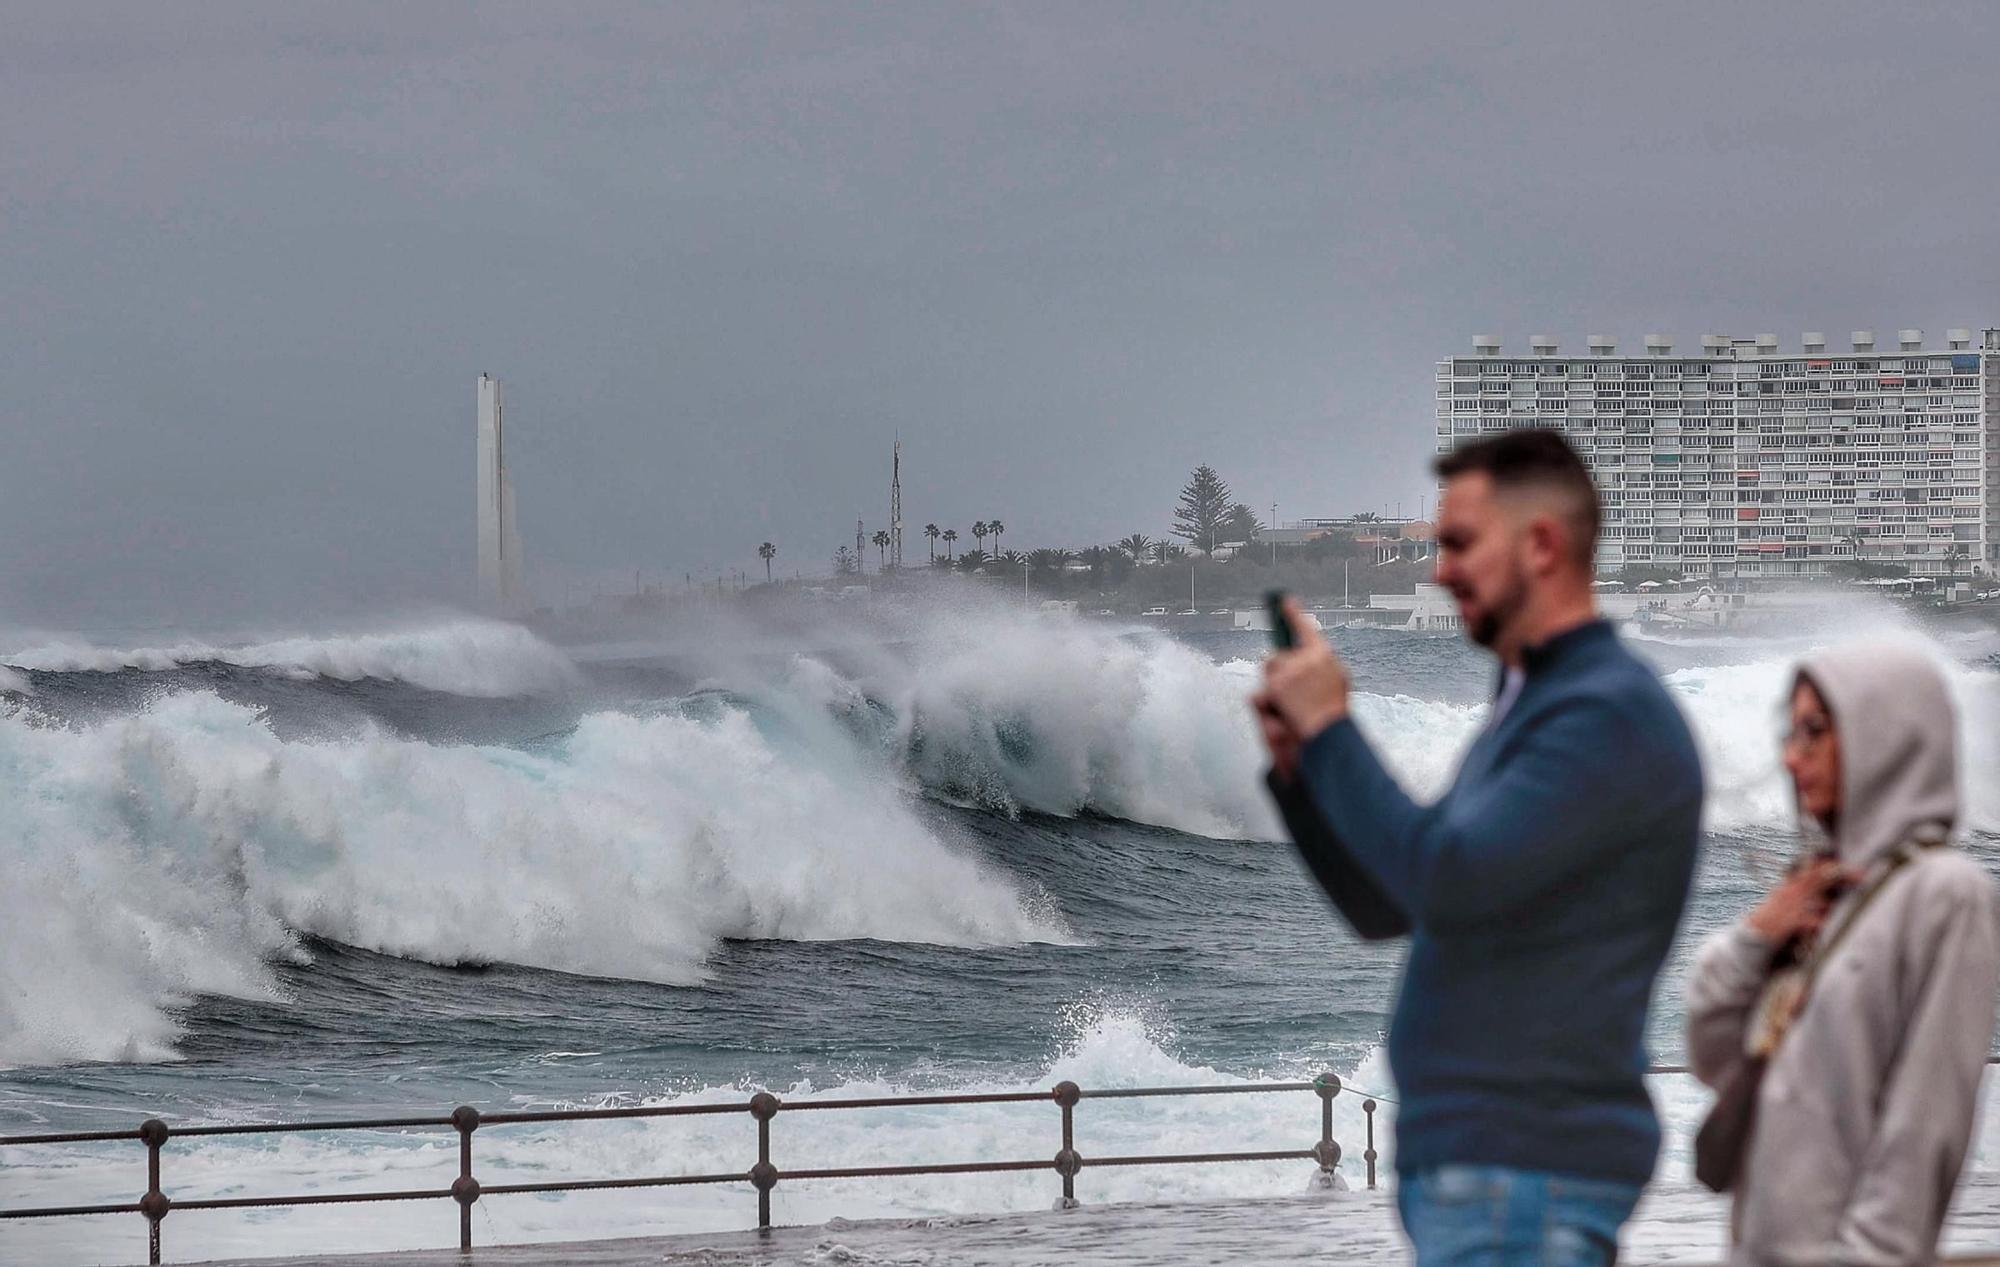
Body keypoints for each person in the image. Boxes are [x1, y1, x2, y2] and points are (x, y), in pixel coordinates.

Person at [1255, 428, 1703, 1266]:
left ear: (1540, 544)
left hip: (1525, 1171)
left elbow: (1446, 879)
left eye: (1460, 543)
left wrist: (1334, 727)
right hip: (1495, 1174)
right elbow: (1390, 905)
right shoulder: (1531, 702)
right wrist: (1303, 772)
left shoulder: (1602, 713)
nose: (1441, 570)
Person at [1684, 643, 1998, 1266]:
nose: (1791, 756)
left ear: (1882, 736)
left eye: (1815, 732)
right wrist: (1757, 935)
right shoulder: (1824, 892)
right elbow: (1713, 1052)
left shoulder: (1945, 896)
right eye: (1791, 731)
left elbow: (1924, 1130)